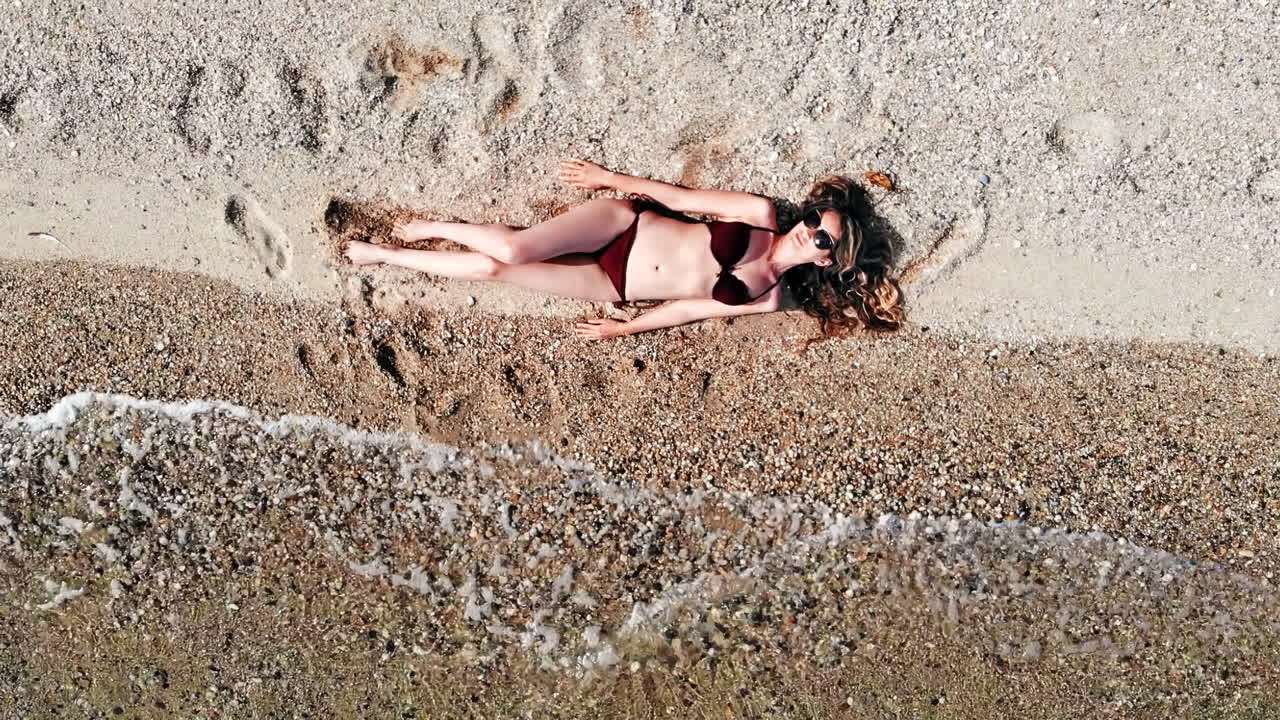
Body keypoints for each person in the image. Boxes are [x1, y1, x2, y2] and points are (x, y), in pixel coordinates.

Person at [343, 159, 904, 340]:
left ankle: (387, 256)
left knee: (494, 271)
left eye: (822, 236)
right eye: (812, 219)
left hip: (617, 285)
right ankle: (426, 226)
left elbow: (689, 308)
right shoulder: (757, 215)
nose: (808, 230)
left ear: (829, 258)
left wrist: (626, 328)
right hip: (624, 227)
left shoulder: (767, 298)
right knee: (513, 251)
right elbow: (682, 198)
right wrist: (608, 177)